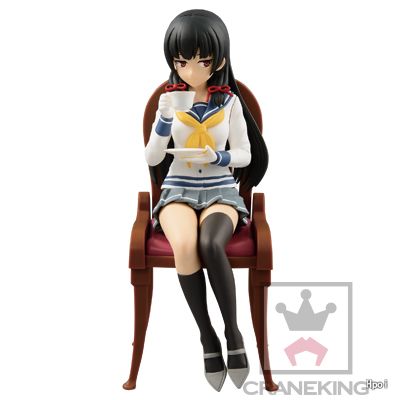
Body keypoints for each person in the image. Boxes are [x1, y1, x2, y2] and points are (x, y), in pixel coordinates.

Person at [144, 9, 269, 391]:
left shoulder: (229, 103)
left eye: (202, 61)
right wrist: (164, 121)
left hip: (220, 190)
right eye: (181, 61)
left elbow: (245, 154)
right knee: (185, 245)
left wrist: (219, 156)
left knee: (211, 243)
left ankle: (233, 332)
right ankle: (207, 336)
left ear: (220, 61)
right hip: (178, 188)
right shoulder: (169, 101)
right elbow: (152, 157)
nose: (191, 70)